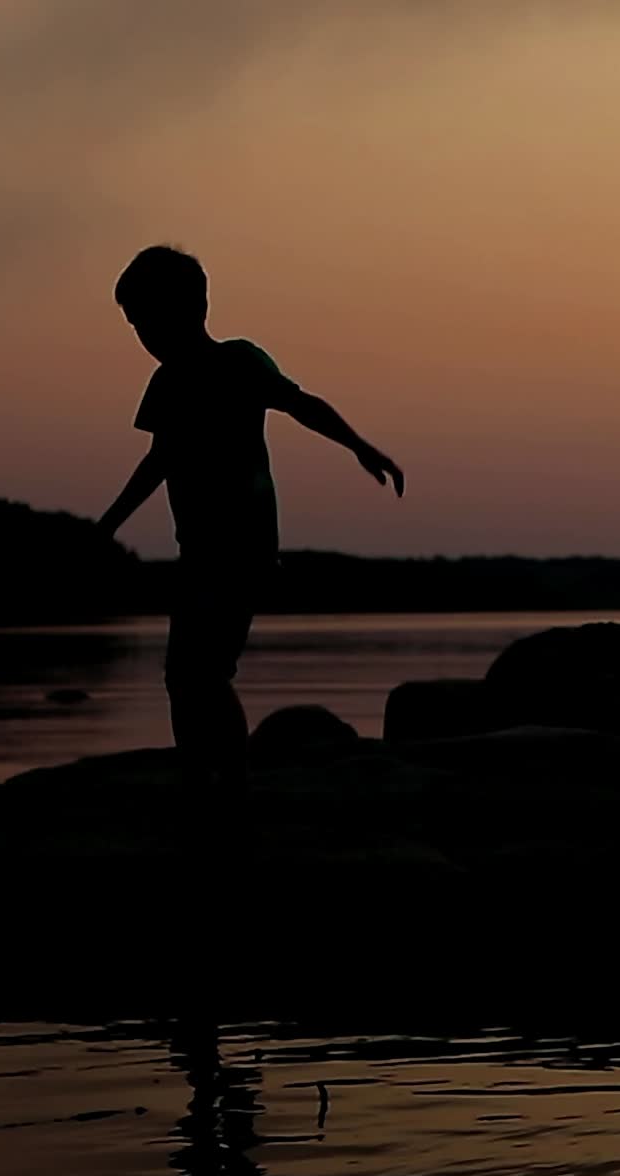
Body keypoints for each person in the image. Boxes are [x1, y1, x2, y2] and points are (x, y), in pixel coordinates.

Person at [97, 245, 403, 801]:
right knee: (184, 675)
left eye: (150, 320)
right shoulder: (165, 384)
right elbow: (160, 461)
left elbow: (300, 404)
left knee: (203, 673)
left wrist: (359, 446)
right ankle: (200, 779)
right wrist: (108, 523)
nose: (145, 335)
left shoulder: (238, 362)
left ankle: (231, 783)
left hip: (242, 547)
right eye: (136, 325)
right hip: (197, 550)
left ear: (193, 308)